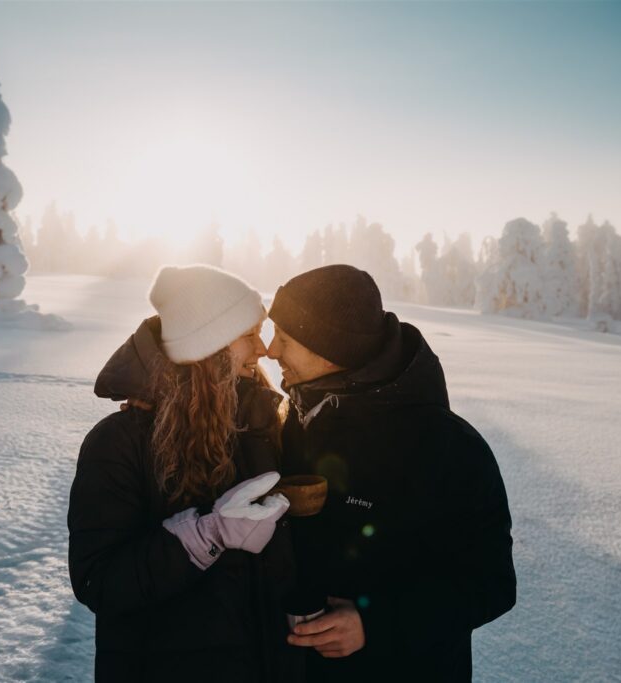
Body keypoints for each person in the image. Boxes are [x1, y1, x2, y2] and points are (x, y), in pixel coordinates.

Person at [266, 264, 516, 682]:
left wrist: (375, 623)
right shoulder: (295, 419)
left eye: (285, 339)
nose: (271, 351)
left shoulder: (447, 447)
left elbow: (491, 583)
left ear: (330, 350)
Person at [67, 264, 301, 682]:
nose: (263, 350)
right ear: (207, 348)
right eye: (248, 335)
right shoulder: (119, 443)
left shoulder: (258, 424)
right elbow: (98, 581)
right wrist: (206, 535)